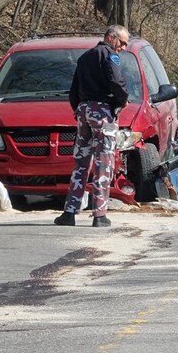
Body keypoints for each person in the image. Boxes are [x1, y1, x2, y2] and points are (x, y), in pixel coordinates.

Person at [54, 25, 131, 228]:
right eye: (122, 42)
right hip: (102, 113)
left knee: (81, 163)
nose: (123, 47)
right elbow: (116, 81)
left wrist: (79, 109)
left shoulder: (84, 57)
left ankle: (69, 213)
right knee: (103, 162)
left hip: (83, 111)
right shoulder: (109, 55)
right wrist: (123, 100)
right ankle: (100, 214)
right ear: (111, 38)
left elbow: (73, 90)